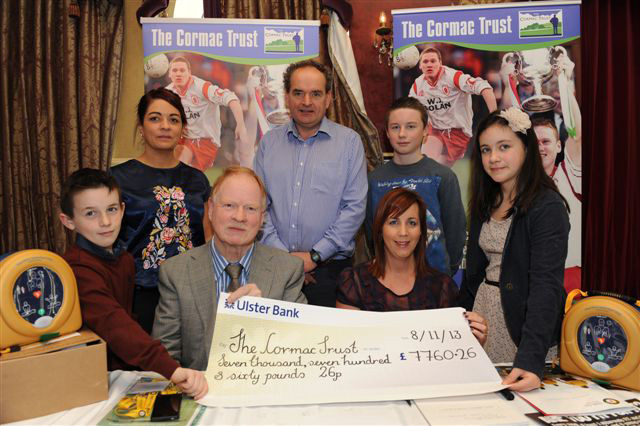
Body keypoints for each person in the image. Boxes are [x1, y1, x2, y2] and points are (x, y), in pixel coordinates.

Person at [59, 168, 208, 400]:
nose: (105, 222)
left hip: (120, 373)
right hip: (88, 380)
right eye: (90, 214)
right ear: (68, 221)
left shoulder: (124, 259)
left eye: (111, 209)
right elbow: (115, 325)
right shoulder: (77, 269)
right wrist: (171, 369)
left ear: (123, 210)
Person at [152, 166, 307, 371]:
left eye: (250, 209)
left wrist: (263, 317)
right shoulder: (176, 272)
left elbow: (300, 350)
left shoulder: (288, 271)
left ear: (262, 218)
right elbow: (165, 357)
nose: (239, 217)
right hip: (198, 393)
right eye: (229, 205)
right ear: (211, 209)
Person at [460, 107, 570, 392]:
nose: (493, 157)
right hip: (484, 319)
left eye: (504, 147)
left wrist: (532, 360)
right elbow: (472, 273)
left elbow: (546, 285)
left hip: (523, 327)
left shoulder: (547, 206)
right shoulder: (486, 200)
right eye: (485, 149)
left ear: (526, 147)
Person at [254, 60, 367, 307]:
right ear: (287, 97)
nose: (307, 102)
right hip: (274, 268)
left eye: (315, 94)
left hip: (331, 272)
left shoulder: (349, 143)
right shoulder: (268, 144)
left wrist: (315, 256)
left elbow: (354, 208)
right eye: (298, 93)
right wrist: (288, 260)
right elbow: (258, 206)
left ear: (328, 98)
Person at [110, 88, 211, 334]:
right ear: (141, 127)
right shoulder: (117, 179)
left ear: (183, 130)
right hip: (138, 295)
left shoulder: (198, 180)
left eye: (173, 119)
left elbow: (208, 239)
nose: (165, 126)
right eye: (155, 118)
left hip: (190, 293)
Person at [338, 188, 487, 344]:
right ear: (380, 229)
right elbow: (349, 351)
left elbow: (452, 354)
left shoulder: (442, 287)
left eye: (412, 223)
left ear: (422, 231)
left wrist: (474, 343)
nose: (403, 232)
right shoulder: (354, 283)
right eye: (394, 222)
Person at [366, 97, 466, 276]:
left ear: (425, 131)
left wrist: (445, 275)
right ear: (387, 133)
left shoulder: (442, 176)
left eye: (411, 126)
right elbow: (370, 234)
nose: (402, 134)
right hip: (386, 280)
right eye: (395, 127)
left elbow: (455, 233)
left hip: (434, 280)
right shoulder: (373, 180)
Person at [409, 47, 497, 167]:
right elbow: (410, 110)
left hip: (458, 132)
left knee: (441, 170)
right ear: (420, 66)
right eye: (425, 61)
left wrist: (494, 116)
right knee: (426, 165)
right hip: (434, 130)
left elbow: (485, 88)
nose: (429, 64)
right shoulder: (417, 85)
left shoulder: (454, 77)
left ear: (440, 63)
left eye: (433, 61)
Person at [166, 56, 251, 169]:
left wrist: (241, 125)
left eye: (182, 70)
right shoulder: (167, 92)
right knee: (178, 167)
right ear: (169, 74)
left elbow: (232, 99)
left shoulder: (202, 88)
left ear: (189, 73)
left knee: (190, 176)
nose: (178, 74)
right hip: (184, 140)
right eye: (174, 70)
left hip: (206, 141)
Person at [533, 115, 581, 292]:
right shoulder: (517, 186)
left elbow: (578, 136)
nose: (540, 147)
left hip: (570, 279)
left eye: (546, 141)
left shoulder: (569, 174)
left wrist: (566, 90)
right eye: (534, 142)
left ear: (559, 145)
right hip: (533, 279)